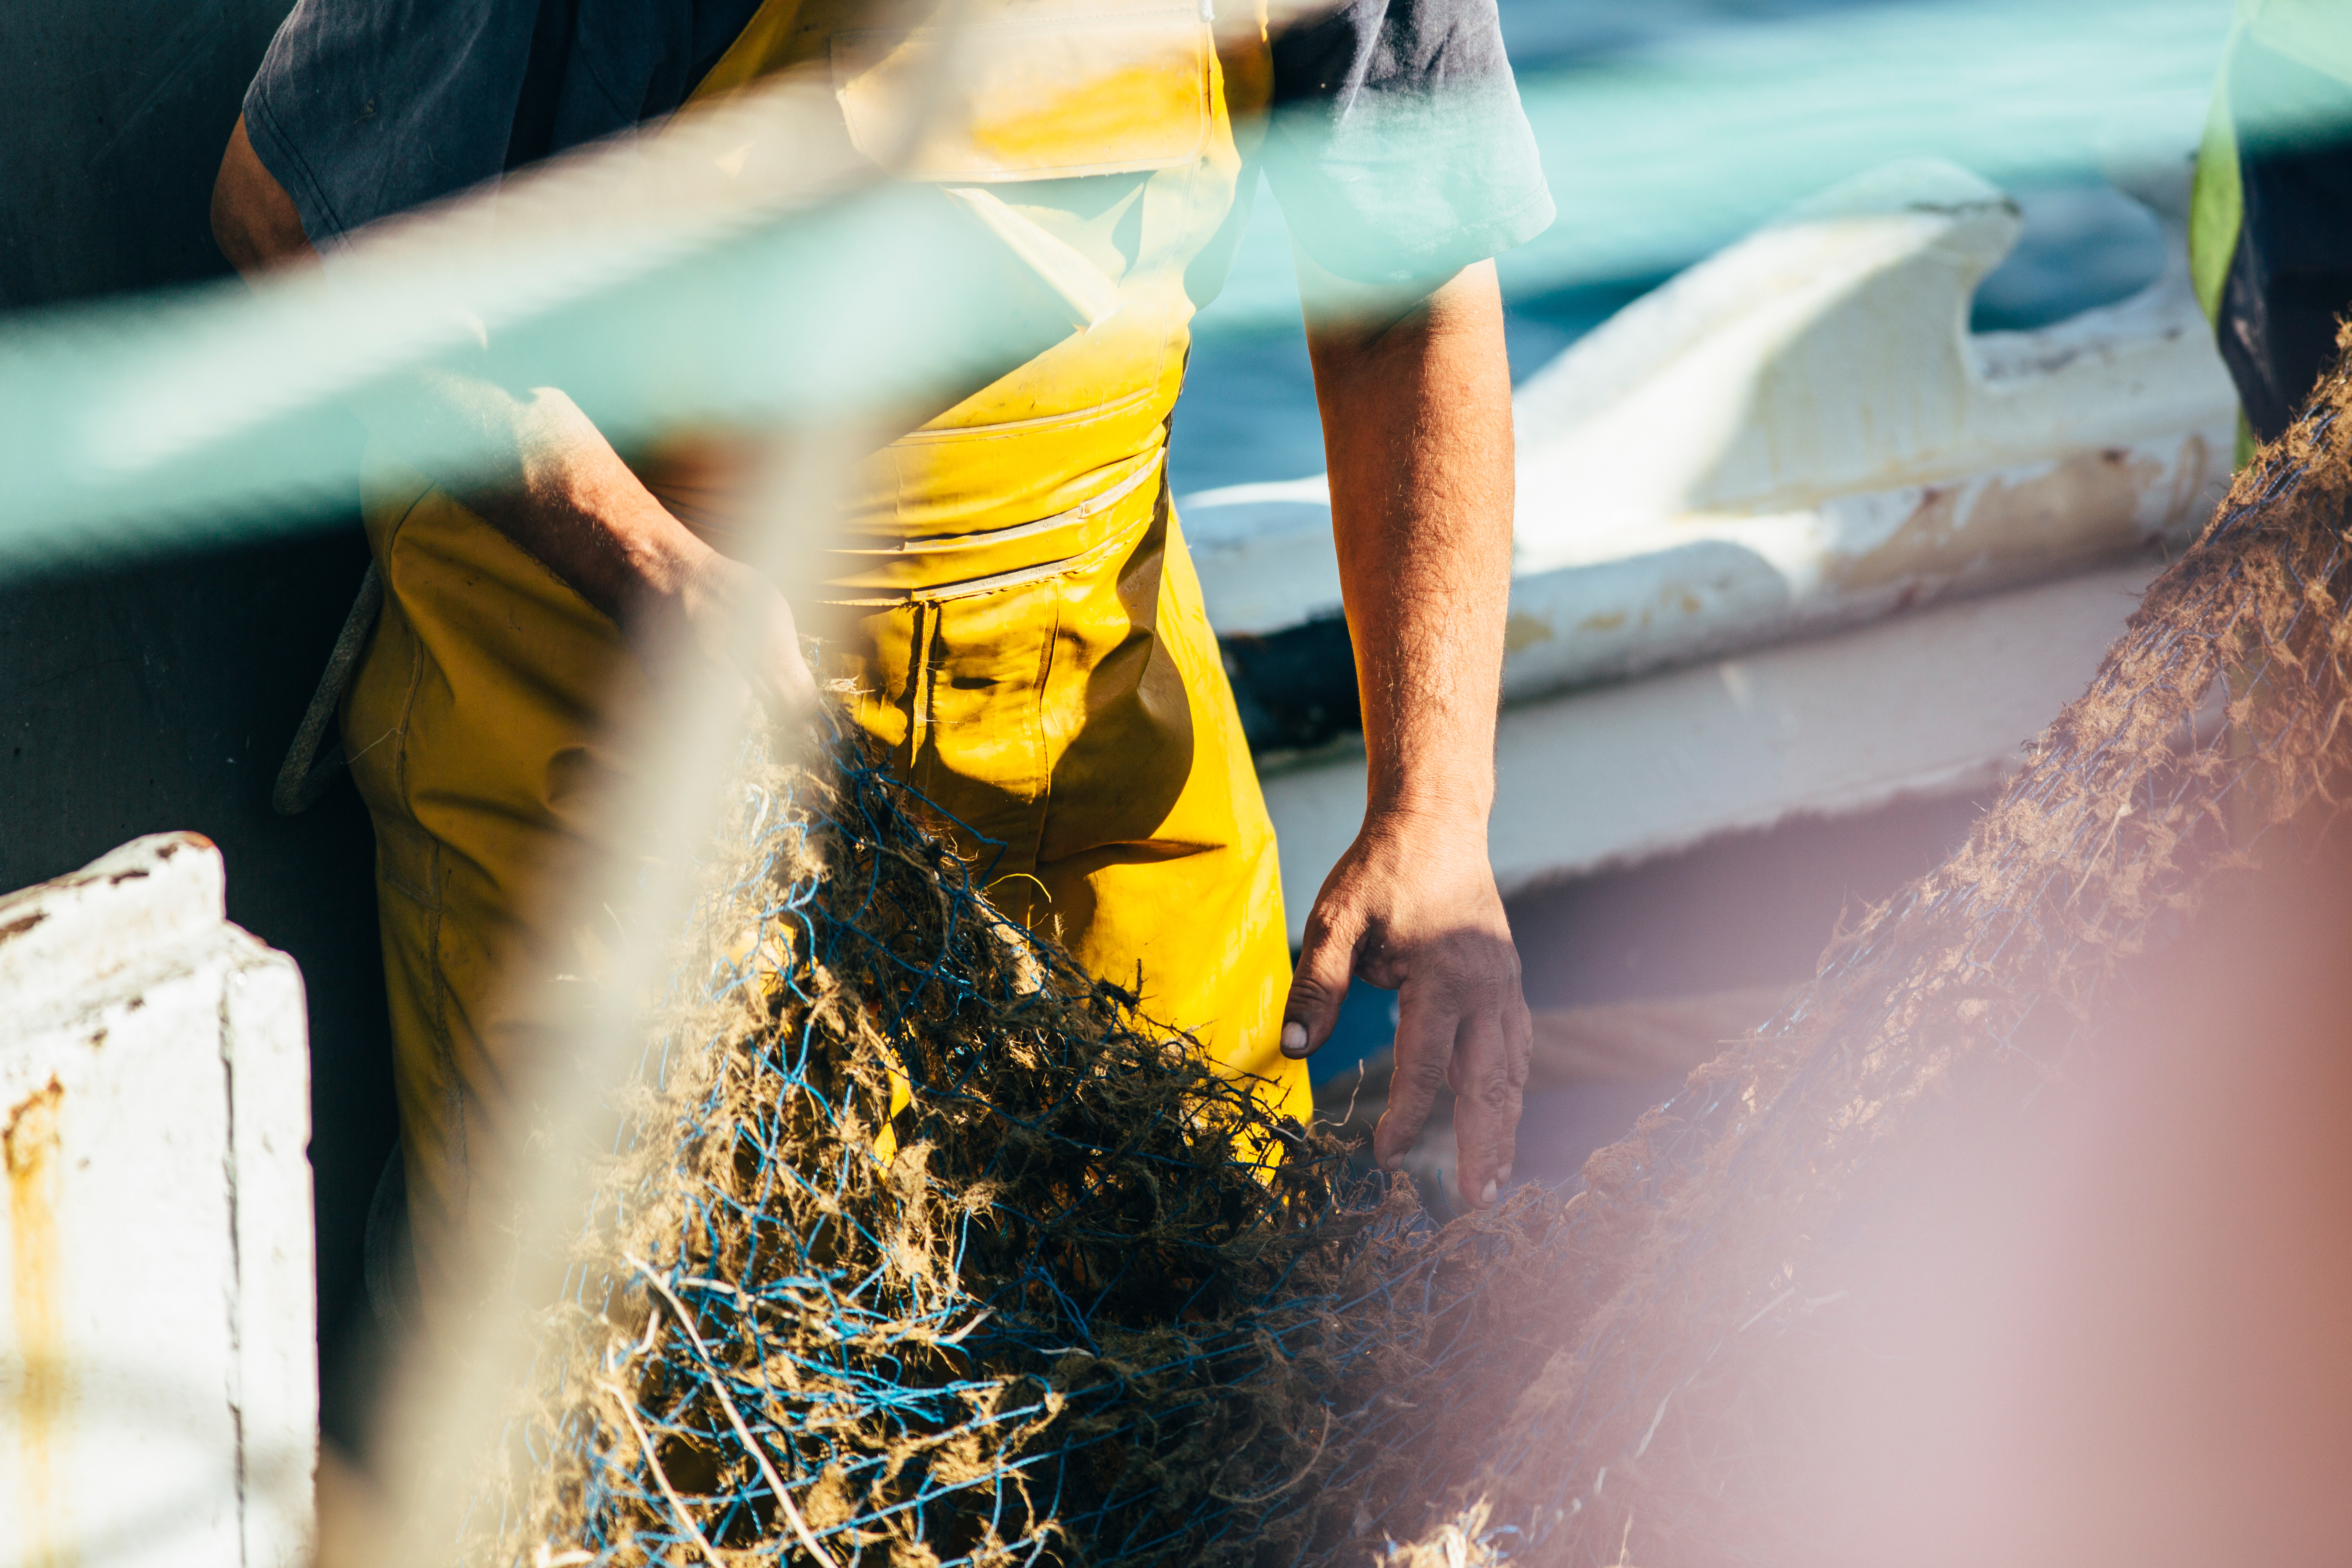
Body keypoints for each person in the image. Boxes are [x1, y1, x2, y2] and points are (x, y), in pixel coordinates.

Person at [212, 0, 1553, 1302]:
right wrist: (640, 559)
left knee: (1206, 1314)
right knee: (655, 1399)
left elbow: (1407, 282)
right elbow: (299, 222)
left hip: (1091, 733)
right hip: (612, 743)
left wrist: (1434, 807)